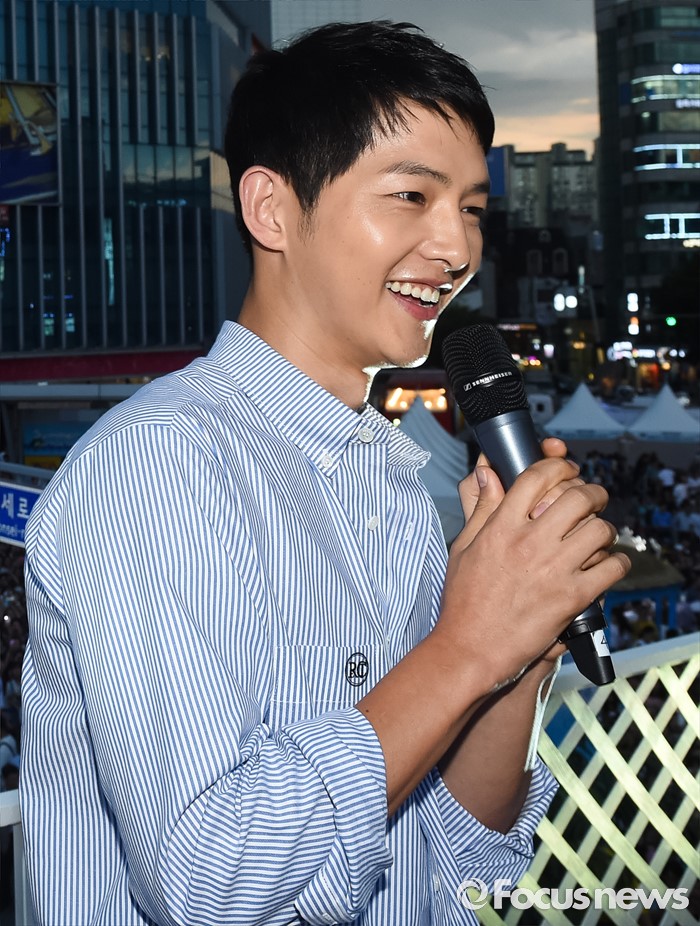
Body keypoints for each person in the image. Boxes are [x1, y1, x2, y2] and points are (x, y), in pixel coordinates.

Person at [19, 21, 629, 926]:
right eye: (412, 195)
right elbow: (208, 884)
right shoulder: (158, 465)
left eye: (470, 208)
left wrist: (518, 645)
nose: (456, 249)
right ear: (270, 210)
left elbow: (458, 854)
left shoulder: (391, 481)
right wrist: (466, 647)